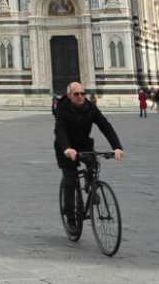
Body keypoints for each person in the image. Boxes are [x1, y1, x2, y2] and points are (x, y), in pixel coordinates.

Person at [54, 82, 124, 225]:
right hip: (65, 147)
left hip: (84, 144)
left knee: (93, 164)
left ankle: (90, 185)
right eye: (76, 94)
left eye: (82, 93)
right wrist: (67, 148)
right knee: (70, 180)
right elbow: (59, 130)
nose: (80, 96)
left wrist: (117, 147)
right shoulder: (62, 108)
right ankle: (70, 216)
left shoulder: (90, 108)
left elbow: (105, 126)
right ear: (69, 95)